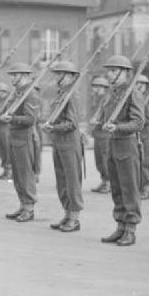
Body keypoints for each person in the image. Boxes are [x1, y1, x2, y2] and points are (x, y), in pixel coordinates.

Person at [99, 55, 144, 247]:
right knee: (117, 188)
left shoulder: (132, 93)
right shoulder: (114, 93)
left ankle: (131, 230)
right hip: (113, 144)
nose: (109, 75)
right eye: (109, 71)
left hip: (127, 144)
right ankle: (120, 226)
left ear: (125, 73)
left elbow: (138, 122)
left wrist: (118, 127)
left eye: (113, 71)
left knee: (129, 189)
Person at [44, 61, 84, 232]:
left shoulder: (72, 96)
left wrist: (53, 128)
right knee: (62, 181)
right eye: (58, 73)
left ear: (72, 77)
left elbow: (72, 123)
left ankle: (74, 218)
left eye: (63, 74)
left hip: (69, 142)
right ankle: (67, 214)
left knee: (72, 181)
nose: (59, 77)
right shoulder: (61, 94)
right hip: (59, 142)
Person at [0, 62, 40, 222]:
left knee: (25, 174)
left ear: (24, 76)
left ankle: (29, 208)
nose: (12, 78)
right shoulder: (18, 93)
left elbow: (31, 119)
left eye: (15, 75)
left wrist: (12, 119)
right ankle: (23, 205)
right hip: (15, 137)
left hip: (24, 139)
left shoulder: (30, 94)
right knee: (17, 175)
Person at [88, 76, 111, 193]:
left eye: (95, 87)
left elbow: (110, 117)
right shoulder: (96, 99)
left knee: (105, 158)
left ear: (102, 88)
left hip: (105, 134)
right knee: (99, 159)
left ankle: (108, 183)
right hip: (98, 133)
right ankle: (103, 181)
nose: (93, 89)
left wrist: (98, 122)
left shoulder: (107, 99)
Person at [0, 82, 13, 181]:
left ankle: (9, 171)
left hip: (6, 128)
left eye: (1, 92)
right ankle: (5, 170)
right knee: (1, 150)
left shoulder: (9, 103)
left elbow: (9, 116)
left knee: (7, 150)